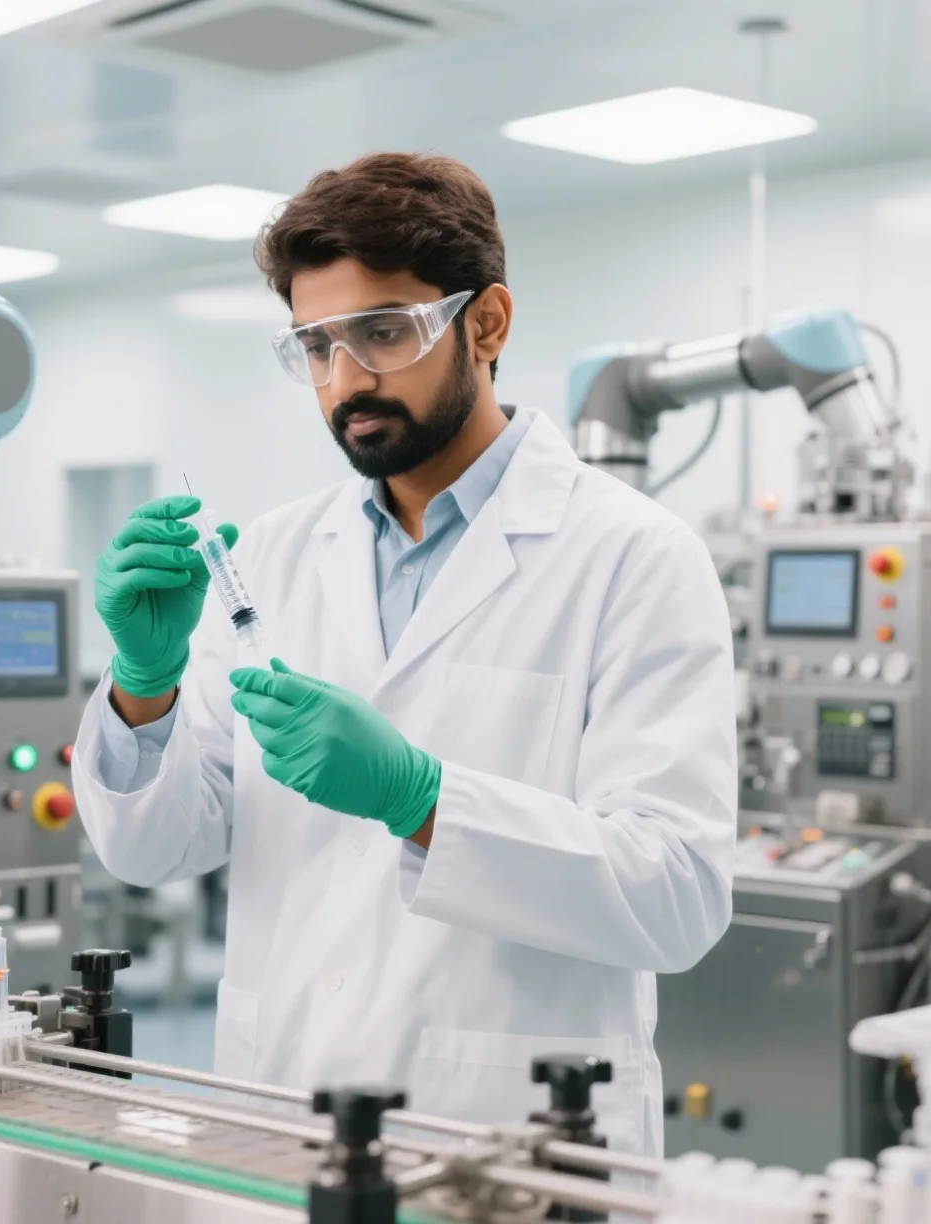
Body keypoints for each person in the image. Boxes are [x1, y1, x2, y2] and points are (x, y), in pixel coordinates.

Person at [72, 152, 736, 1157]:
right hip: (281, 1114)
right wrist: (143, 689)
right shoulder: (281, 555)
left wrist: (424, 799)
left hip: (506, 1136)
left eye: (384, 332)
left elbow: (677, 894)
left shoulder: (635, 558)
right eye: (317, 347)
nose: (348, 380)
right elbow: (160, 847)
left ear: (488, 323)